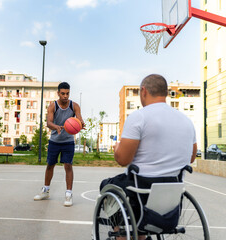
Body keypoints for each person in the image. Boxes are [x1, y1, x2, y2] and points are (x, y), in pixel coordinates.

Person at [99, 74, 197, 238]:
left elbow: (123, 160)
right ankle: (141, 235)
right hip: (173, 188)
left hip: (141, 188)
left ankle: (122, 234)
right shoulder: (186, 120)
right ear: (165, 93)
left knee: (107, 185)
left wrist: (117, 148)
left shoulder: (139, 117)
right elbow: (191, 157)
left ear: (143, 91)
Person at [34, 82, 85, 207]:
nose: (65, 96)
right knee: (50, 165)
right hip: (54, 141)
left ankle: (68, 194)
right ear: (58, 93)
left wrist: (81, 124)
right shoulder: (53, 106)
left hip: (68, 142)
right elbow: (48, 122)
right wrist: (56, 127)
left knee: (68, 166)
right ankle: (45, 190)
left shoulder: (75, 106)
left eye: (67, 93)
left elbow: (79, 119)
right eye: (63, 93)